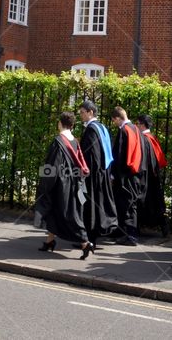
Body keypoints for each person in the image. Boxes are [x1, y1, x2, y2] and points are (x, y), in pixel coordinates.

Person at [33, 111, 94, 259]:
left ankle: (86, 243)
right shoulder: (74, 141)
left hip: (60, 185)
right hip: (73, 182)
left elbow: (52, 165)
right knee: (55, 213)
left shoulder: (58, 141)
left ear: (60, 123)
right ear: (72, 125)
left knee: (69, 216)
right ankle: (50, 242)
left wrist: (44, 184)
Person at [78, 99, 118, 246]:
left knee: (90, 206)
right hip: (104, 172)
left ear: (91, 112)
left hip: (93, 175)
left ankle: (88, 239)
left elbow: (91, 155)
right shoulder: (102, 127)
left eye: (82, 113)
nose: (81, 115)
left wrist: (84, 172)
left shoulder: (91, 130)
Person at [110, 106, 145, 246]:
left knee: (127, 205)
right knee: (130, 204)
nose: (114, 123)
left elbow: (118, 156)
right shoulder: (136, 129)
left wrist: (113, 175)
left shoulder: (124, 131)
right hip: (135, 173)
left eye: (114, 120)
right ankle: (126, 232)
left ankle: (131, 235)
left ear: (118, 118)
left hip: (125, 175)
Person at [136, 114, 170, 238]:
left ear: (143, 124)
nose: (136, 126)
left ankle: (137, 227)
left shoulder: (144, 138)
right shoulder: (152, 138)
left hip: (146, 176)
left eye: (138, 123)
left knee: (143, 201)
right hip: (154, 176)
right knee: (156, 202)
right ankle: (163, 224)